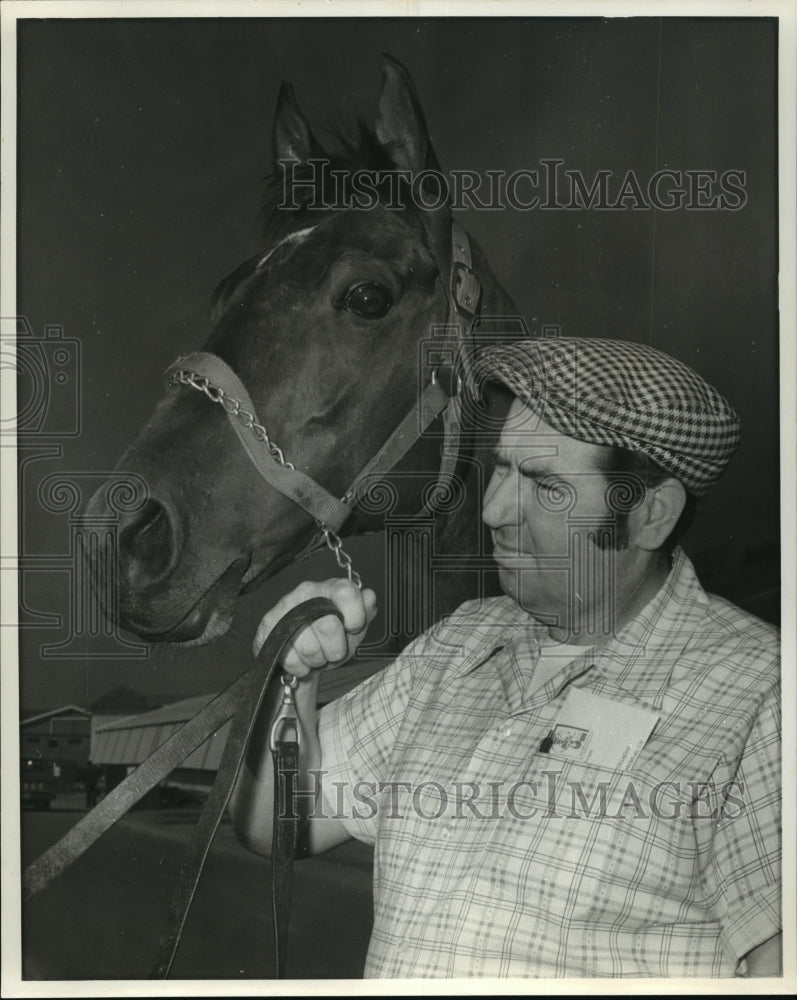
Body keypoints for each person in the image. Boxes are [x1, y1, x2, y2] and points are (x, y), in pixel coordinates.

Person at [229, 337, 781, 978]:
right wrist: (292, 677)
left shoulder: (758, 694)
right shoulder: (456, 647)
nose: (493, 511)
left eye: (544, 485)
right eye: (500, 469)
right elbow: (278, 827)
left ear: (650, 515)